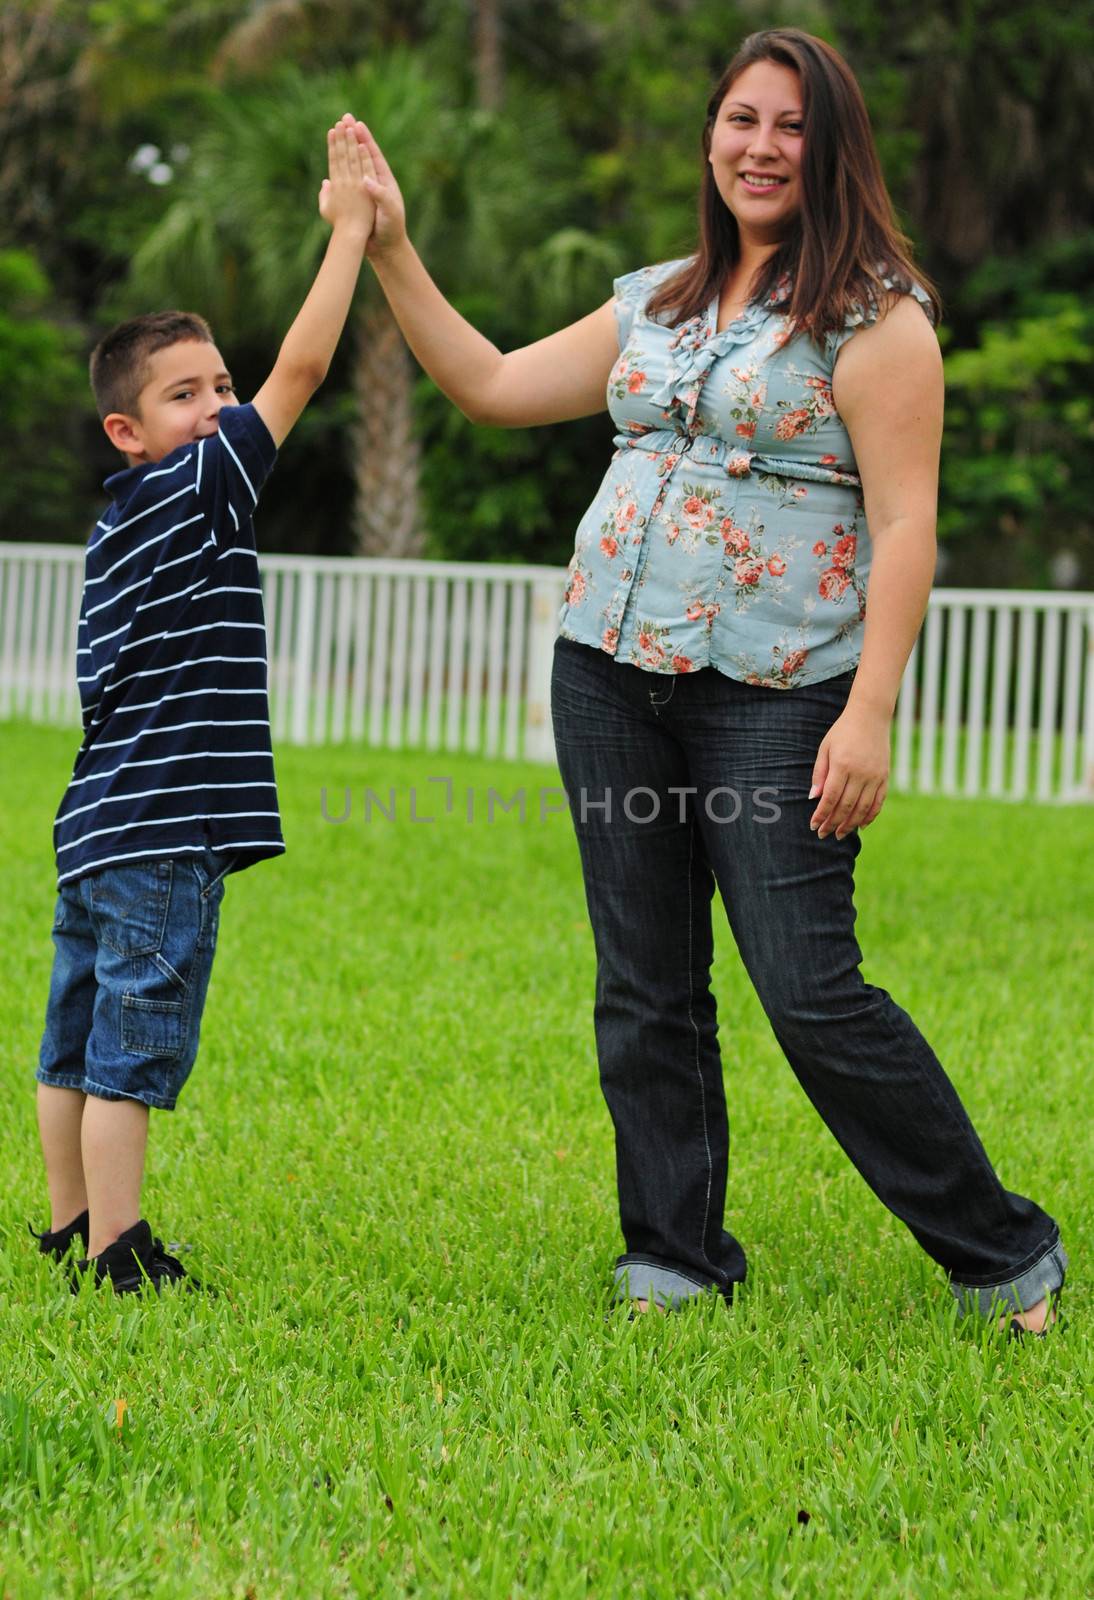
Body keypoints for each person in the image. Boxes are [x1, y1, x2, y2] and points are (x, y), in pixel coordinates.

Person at [348, 28, 1066, 1337]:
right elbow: (497, 385)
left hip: (778, 693)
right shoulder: (659, 299)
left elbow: (906, 528)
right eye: (741, 119)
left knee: (806, 986)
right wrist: (392, 245)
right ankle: (672, 1257)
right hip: (608, 678)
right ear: (709, 137)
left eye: (789, 126)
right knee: (644, 981)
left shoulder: (876, 319)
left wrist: (869, 713)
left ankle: (1004, 1257)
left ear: (831, 147)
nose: (759, 146)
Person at [31, 117, 375, 1294]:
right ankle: (124, 1251)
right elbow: (306, 371)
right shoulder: (191, 491)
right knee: (130, 1049)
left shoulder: (118, 523)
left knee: (71, 1041)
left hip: (95, 825)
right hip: (161, 831)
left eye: (220, 386)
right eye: (188, 394)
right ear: (129, 433)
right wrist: (349, 234)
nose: (221, 408)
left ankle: (70, 1225)